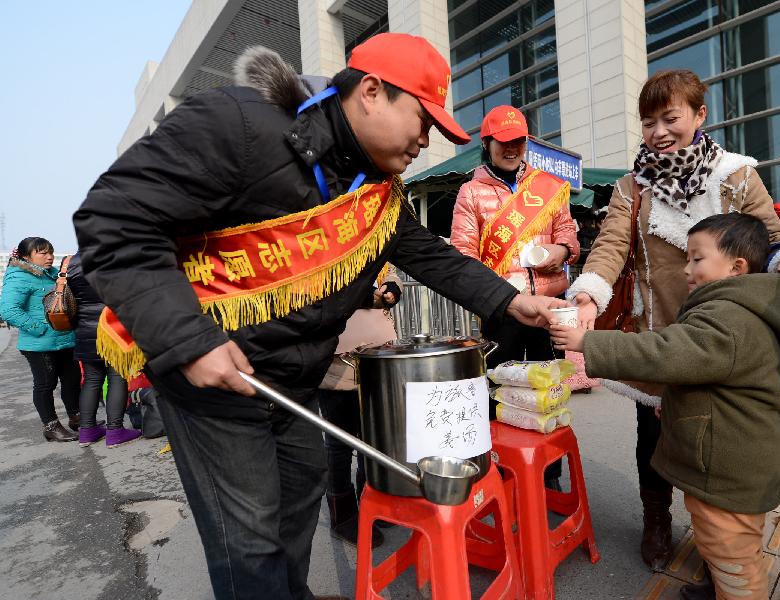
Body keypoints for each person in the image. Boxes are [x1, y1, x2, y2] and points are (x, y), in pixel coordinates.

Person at [73, 34, 564, 600]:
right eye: (422, 122)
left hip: (299, 381)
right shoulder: (237, 123)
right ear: (373, 92)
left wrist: (508, 300)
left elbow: (428, 255)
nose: (424, 143)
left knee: (296, 517)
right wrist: (188, 340)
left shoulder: (377, 187)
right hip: (217, 384)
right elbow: (113, 220)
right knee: (249, 541)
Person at [566, 69, 780, 571]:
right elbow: (612, 246)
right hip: (657, 332)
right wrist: (589, 295)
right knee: (652, 437)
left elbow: (769, 237)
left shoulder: (737, 175)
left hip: (728, 336)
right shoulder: (630, 187)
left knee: (718, 442)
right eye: (648, 121)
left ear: (699, 115)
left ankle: (716, 542)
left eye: (670, 117)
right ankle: (657, 522)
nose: (658, 131)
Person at [552, 212, 780, 600]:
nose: (686, 269)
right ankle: (719, 585)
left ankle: (733, 590)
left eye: (697, 259)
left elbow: (667, 353)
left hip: (730, 468)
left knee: (733, 553)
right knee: (720, 543)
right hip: (728, 462)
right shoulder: (736, 306)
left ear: (737, 267)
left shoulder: (730, 315)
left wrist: (588, 342)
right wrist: (672, 403)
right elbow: (709, 373)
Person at [450, 104, 579, 369]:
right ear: (487, 143)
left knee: (550, 386)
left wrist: (563, 250)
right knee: (500, 386)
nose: (511, 149)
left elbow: (567, 230)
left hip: (549, 304)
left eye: (518, 141)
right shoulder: (470, 192)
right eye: (504, 141)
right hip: (501, 307)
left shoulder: (549, 185)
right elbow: (464, 253)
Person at [318, 270, 402, 548]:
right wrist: (366, 296)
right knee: (340, 443)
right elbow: (322, 287)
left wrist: (392, 289)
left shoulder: (368, 241)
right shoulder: (321, 244)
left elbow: (389, 272)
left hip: (377, 358)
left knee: (374, 439)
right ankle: (342, 515)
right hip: (337, 362)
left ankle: (372, 503)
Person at [0, 238, 80, 442]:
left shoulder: (54, 274)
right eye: (42, 253)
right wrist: (41, 328)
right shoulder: (18, 276)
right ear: (26, 257)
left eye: (50, 252)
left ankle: (77, 417)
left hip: (65, 339)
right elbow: (9, 310)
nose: (50, 257)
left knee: (71, 381)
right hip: (39, 344)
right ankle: (51, 426)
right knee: (45, 384)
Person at [67, 253, 142, 448]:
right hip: (111, 327)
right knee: (117, 376)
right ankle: (115, 430)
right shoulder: (114, 257)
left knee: (92, 380)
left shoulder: (72, 261)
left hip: (84, 329)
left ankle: (87, 431)